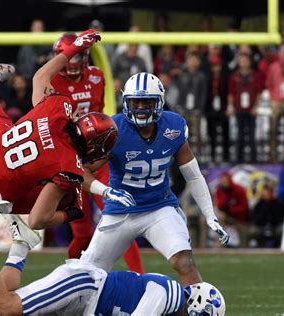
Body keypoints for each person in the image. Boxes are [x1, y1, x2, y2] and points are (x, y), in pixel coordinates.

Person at [0, 30, 128, 249]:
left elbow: (40, 77)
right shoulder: (67, 165)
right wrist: (69, 214)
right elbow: (37, 220)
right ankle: (17, 229)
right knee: (66, 197)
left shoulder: (57, 107)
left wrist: (74, 47)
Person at [80, 72, 230, 287]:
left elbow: (193, 175)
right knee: (89, 275)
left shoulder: (173, 127)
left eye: (146, 101)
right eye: (135, 102)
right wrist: (106, 192)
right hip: (120, 212)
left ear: (159, 102)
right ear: (126, 102)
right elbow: (81, 171)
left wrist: (209, 215)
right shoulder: (114, 129)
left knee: (184, 262)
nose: (140, 107)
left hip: (159, 208)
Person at [0, 225, 226, 315]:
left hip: (82, 304)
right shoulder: (169, 293)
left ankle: (21, 245)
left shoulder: (171, 300)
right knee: (3, 307)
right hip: (83, 287)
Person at [50, 32, 144, 273]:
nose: (71, 62)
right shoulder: (49, 81)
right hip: (69, 161)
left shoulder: (96, 77)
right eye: (67, 57)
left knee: (120, 218)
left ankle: (140, 278)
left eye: (77, 56)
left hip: (97, 158)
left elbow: (99, 115)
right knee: (82, 234)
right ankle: (68, 279)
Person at [215, 172, 250, 247]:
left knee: (243, 230)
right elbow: (220, 206)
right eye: (222, 181)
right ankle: (218, 246)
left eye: (225, 180)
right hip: (226, 216)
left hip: (239, 217)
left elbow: (244, 207)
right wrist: (225, 193)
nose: (224, 182)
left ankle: (244, 248)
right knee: (219, 218)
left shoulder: (239, 189)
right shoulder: (220, 190)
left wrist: (232, 210)